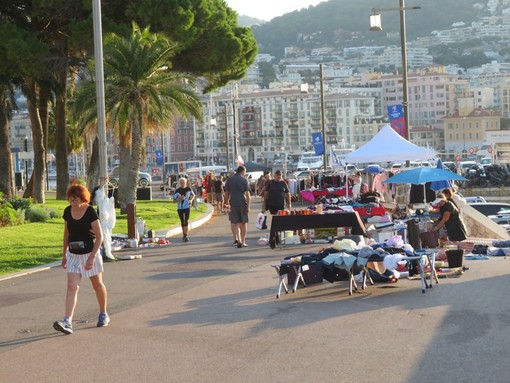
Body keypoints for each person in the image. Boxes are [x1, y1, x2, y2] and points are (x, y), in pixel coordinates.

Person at [53, 183, 108, 335]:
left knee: (97, 285)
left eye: (76, 197)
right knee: (72, 287)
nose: (73, 200)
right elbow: (66, 234)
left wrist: (92, 257)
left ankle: (103, 313)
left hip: (90, 253)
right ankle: (67, 321)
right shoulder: (67, 211)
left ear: (82, 197)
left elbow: (100, 237)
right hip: (73, 255)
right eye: (71, 198)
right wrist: (64, 255)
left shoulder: (89, 211)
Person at [224, 165, 251, 248]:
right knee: (243, 223)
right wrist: (248, 206)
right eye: (245, 172)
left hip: (233, 203)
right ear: (242, 171)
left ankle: (238, 240)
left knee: (235, 223)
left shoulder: (230, 180)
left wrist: (226, 203)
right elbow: (248, 195)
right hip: (242, 203)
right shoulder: (244, 180)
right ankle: (243, 241)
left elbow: (226, 194)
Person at [173, 177, 195, 242]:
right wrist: (180, 199)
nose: (183, 184)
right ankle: (184, 235)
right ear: (180, 183)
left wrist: (191, 200)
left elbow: (193, 195)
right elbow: (173, 200)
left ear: (186, 182)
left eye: (184, 182)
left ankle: (186, 235)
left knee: (186, 221)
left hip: (187, 207)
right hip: (180, 208)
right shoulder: (177, 190)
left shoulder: (188, 189)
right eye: (181, 182)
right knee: (182, 221)